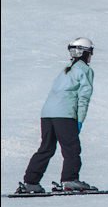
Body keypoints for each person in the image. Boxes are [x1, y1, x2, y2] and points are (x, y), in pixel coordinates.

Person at [17, 38, 97, 194]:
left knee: (46, 148)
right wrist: (79, 120)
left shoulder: (66, 69)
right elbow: (84, 97)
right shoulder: (85, 70)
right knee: (71, 148)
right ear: (85, 53)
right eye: (90, 53)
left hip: (47, 114)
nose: (90, 57)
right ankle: (70, 180)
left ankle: (31, 182)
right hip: (64, 115)